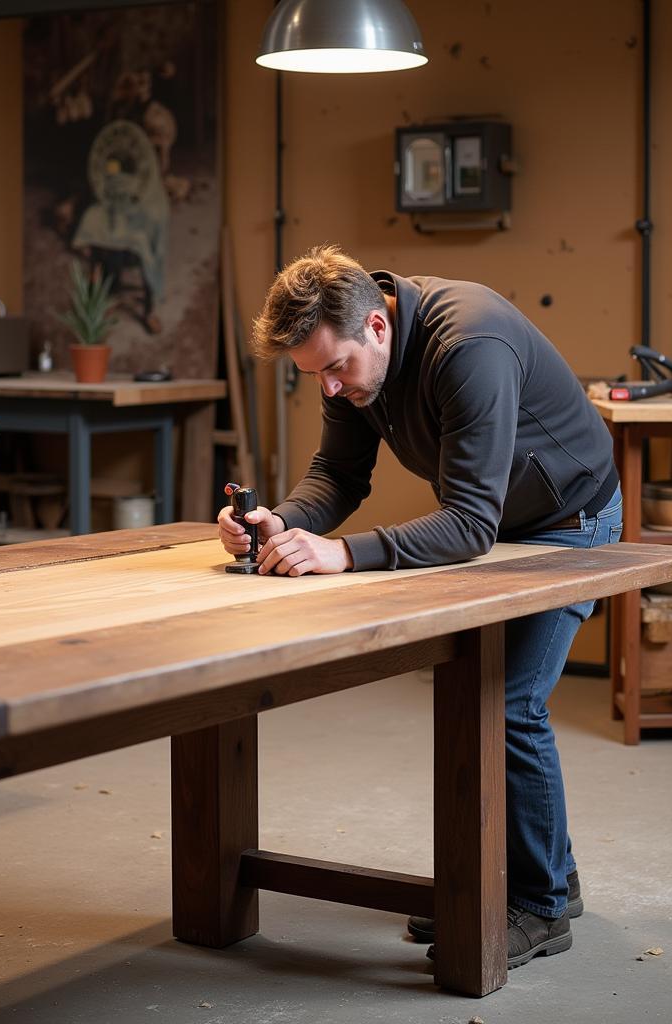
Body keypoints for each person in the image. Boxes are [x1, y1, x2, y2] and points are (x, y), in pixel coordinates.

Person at [217, 245, 622, 970]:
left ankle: (542, 906)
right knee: (475, 690)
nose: (331, 389)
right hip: (500, 527)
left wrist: (342, 554)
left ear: (378, 326)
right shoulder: (347, 361)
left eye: (335, 367)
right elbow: (338, 474)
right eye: (315, 376)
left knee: (509, 699)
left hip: (569, 522)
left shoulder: (470, 346)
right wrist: (283, 523)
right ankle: (538, 882)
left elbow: (467, 522)